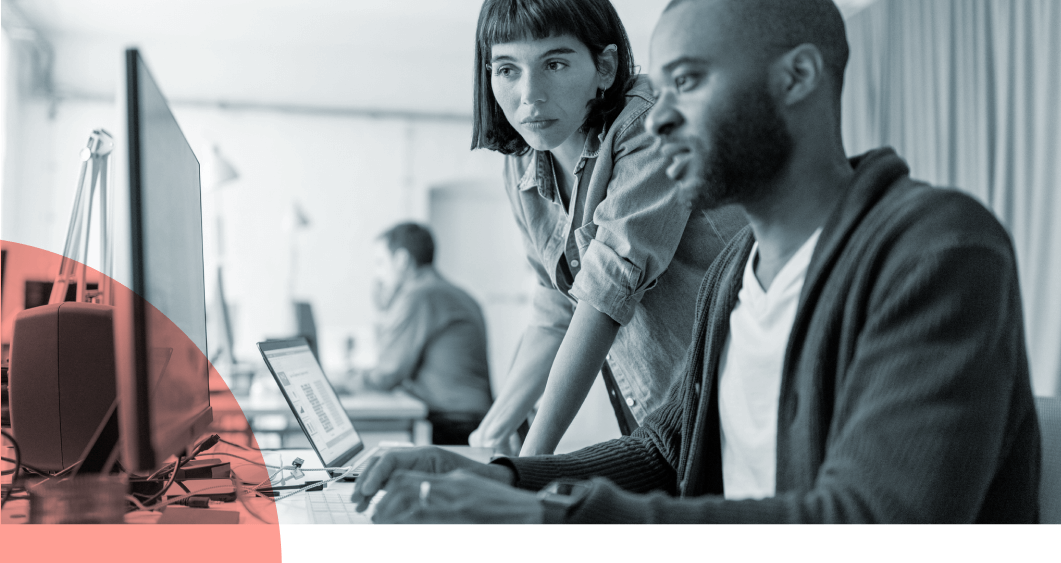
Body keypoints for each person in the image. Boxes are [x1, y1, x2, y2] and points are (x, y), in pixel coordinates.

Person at [350, 0, 1041, 524]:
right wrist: (498, 474)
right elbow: (662, 454)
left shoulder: (936, 249)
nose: (655, 119)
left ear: (797, 77)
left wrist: (547, 513)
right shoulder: (736, 271)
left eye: (686, 81)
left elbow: (868, 513)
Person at [466, 0, 747, 457]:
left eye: (554, 63)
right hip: (663, 425)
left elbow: (605, 293)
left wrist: (526, 467)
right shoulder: (522, 163)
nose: (529, 95)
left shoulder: (650, 122)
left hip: (737, 405)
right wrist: (491, 435)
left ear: (605, 66)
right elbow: (555, 310)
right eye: (507, 69)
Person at [346, 222, 494, 445]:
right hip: (475, 419)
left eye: (380, 263)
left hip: (454, 422)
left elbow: (387, 373)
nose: (378, 275)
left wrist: (344, 382)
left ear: (402, 260)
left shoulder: (420, 295)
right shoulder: (456, 293)